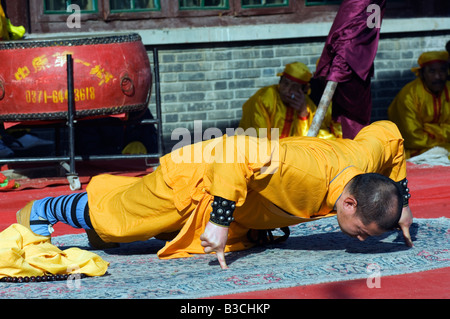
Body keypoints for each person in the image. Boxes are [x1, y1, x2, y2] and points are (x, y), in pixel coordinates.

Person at [17, 120, 413, 269]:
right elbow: (235, 150)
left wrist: (404, 203)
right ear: (349, 202)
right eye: (362, 230)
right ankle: (44, 207)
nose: (361, 240)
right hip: (198, 173)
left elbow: (390, 133)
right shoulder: (302, 171)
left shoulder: (366, 158)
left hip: (241, 192)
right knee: (116, 220)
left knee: (148, 237)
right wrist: (220, 222)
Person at [239, 62, 342, 140]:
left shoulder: (307, 105)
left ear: (304, 90)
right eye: (285, 83)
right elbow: (259, 139)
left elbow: (307, 141)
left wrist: (302, 115)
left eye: (294, 87)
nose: (287, 90)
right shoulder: (264, 99)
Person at [388, 51, 450, 158]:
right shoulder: (408, 95)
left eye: (442, 71)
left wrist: (428, 129)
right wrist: (443, 134)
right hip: (416, 151)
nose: (438, 77)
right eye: (432, 71)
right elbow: (412, 137)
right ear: (422, 74)